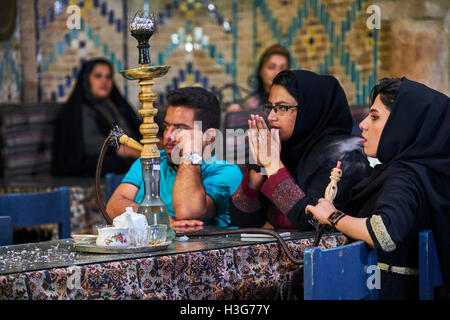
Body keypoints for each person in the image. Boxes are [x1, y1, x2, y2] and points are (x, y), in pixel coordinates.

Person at [305, 77, 450, 299]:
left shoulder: (404, 177)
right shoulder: (428, 172)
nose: (363, 124)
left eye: (374, 117)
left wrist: (333, 216)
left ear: (403, 125)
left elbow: (385, 234)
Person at [230, 69, 372, 230]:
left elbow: (313, 223)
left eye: (283, 107)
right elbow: (240, 220)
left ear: (310, 109)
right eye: (270, 107)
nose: (271, 117)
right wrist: (257, 169)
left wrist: (273, 165)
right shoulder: (282, 149)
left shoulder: (345, 156)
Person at [106, 87, 243, 229]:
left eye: (180, 128)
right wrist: (161, 220)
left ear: (209, 137)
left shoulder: (226, 171)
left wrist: (190, 152)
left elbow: (187, 211)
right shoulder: (152, 160)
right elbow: (113, 206)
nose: (167, 136)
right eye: (166, 126)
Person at [52, 58, 141, 177]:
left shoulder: (112, 105)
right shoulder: (79, 109)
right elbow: (90, 143)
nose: (104, 81)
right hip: (83, 162)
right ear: (87, 79)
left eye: (108, 77)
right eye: (98, 76)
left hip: (115, 155)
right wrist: (125, 150)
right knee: (124, 163)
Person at [227, 44, 290, 112]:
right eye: (271, 67)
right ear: (261, 70)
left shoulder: (293, 102)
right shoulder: (252, 103)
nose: (277, 73)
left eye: (282, 68)